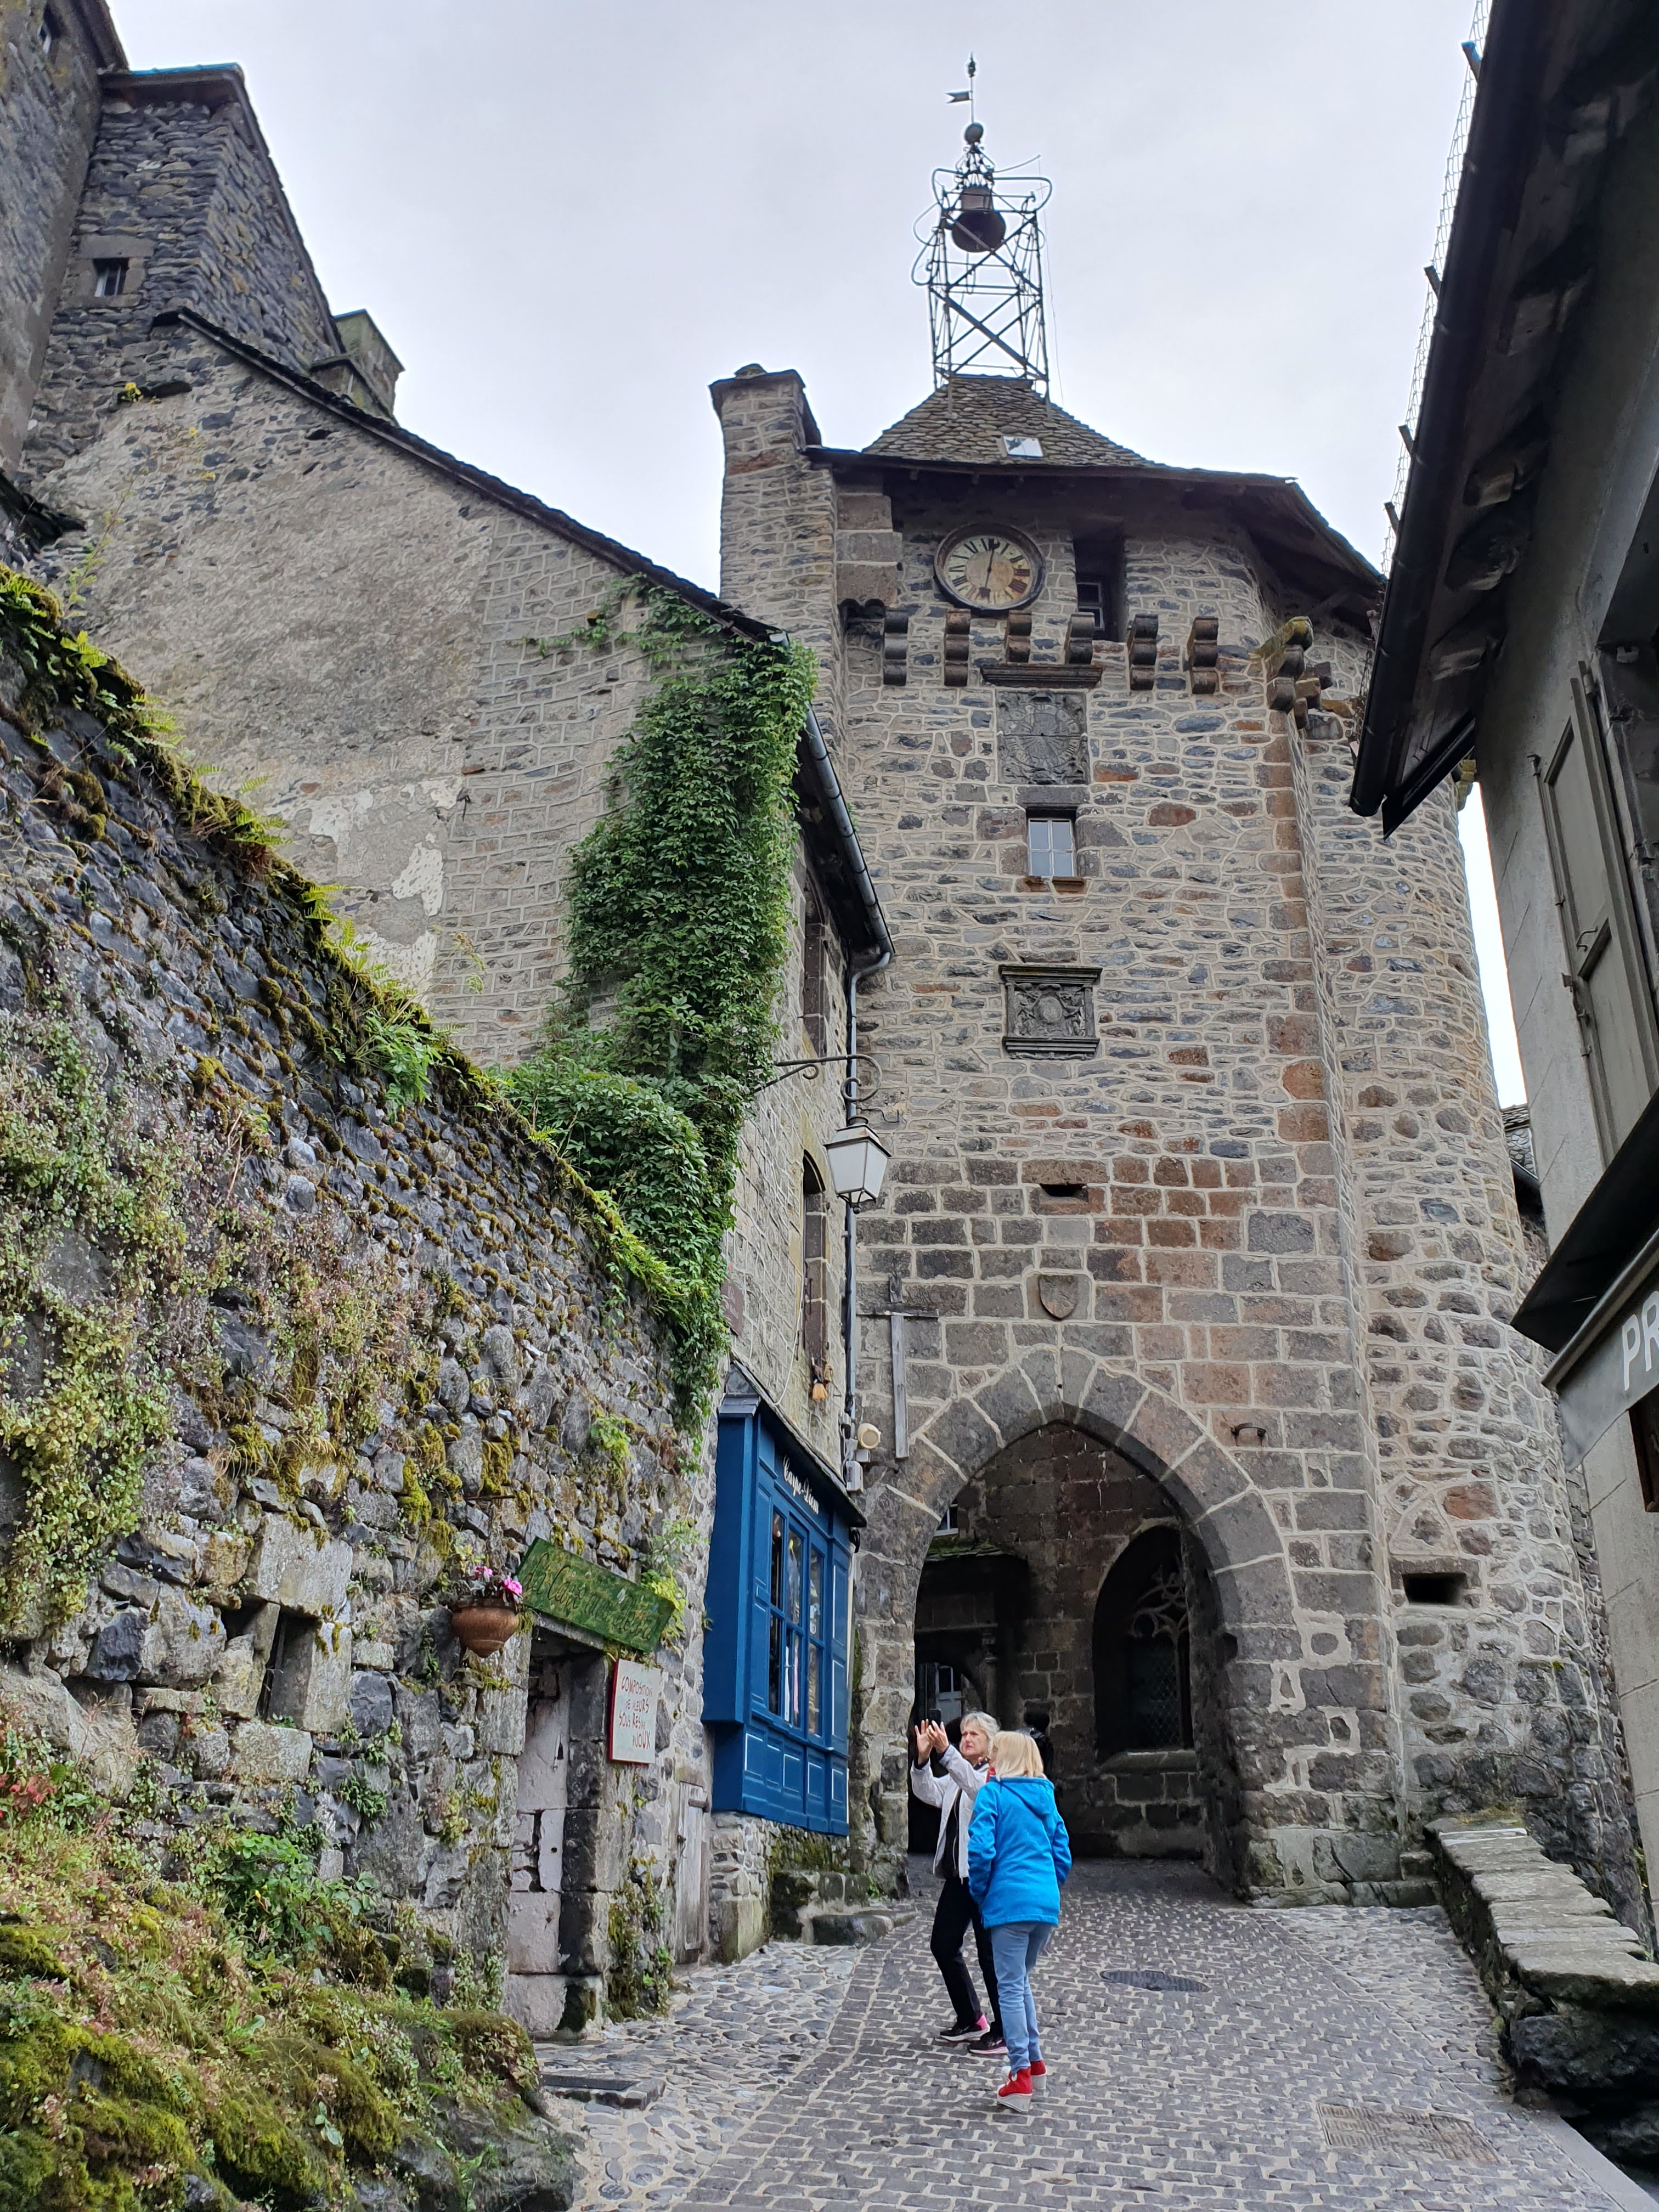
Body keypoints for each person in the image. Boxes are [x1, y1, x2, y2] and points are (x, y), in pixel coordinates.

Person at [968, 1728, 1071, 2109]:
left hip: (1009, 1901)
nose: (990, 1760)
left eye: (994, 1754)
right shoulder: (1045, 1795)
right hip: (1044, 1904)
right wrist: (1047, 1887)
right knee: (1020, 1981)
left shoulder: (993, 1795)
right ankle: (1036, 2063)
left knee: (1009, 1987)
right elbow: (1062, 1851)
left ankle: (1020, 2075)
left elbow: (981, 1851)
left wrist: (982, 1893)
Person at [909, 1710, 1005, 2055]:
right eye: (963, 1734)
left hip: (985, 1877)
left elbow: (976, 1790)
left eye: (974, 1735)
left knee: (991, 1956)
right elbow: (928, 1792)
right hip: (957, 1877)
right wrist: (923, 1760)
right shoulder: (958, 1774)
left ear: (991, 1743)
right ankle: (971, 2017)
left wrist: (946, 1752)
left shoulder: (994, 1776)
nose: (966, 1739)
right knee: (943, 1944)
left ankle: (1005, 2029)